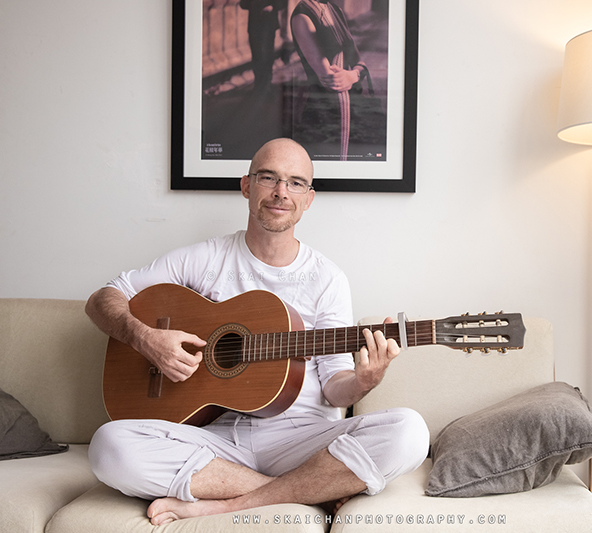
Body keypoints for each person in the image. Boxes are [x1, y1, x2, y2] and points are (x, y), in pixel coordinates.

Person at [85, 138, 429, 525]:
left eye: (296, 183)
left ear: (309, 199)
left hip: (299, 438)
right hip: (213, 439)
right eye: (269, 178)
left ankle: (229, 503)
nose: (281, 192)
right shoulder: (207, 258)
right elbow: (103, 298)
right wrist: (146, 338)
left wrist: (365, 381)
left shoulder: (327, 278)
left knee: (409, 432)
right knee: (108, 446)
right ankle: (301, 490)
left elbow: (335, 386)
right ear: (247, 186)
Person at [289, 0, 383, 160]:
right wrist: (354, 74)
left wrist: (353, 75)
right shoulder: (302, 16)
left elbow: (358, 61)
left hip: (355, 106)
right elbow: (331, 79)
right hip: (325, 113)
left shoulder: (335, 10)